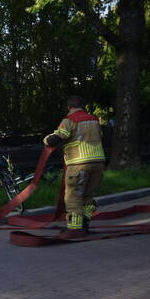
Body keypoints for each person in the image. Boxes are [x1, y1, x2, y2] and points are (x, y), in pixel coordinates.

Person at [43, 95, 106, 238]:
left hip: (79, 163)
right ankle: (85, 223)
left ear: (69, 107)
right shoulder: (94, 120)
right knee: (88, 196)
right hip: (98, 163)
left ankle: (75, 229)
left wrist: (46, 139)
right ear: (83, 106)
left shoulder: (69, 120)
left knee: (73, 197)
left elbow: (55, 139)